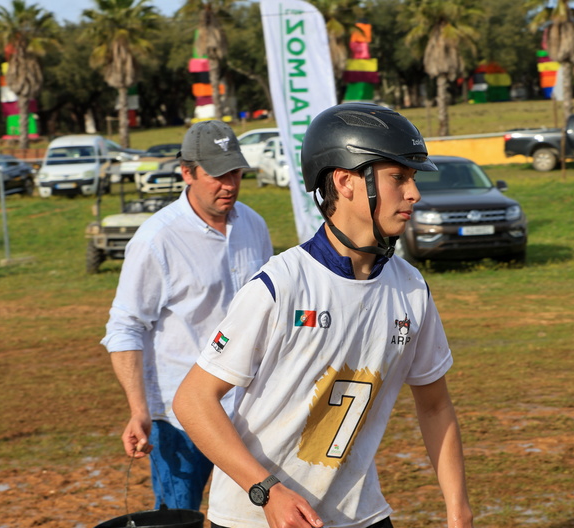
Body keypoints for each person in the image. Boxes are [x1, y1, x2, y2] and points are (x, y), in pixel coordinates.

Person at [174, 102, 473, 528]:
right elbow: (192, 400)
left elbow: (435, 406)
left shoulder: (411, 290)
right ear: (345, 181)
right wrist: (266, 492)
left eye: (412, 179)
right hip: (256, 517)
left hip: (360, 515)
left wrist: (458, 509)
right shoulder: (281, 286)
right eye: (398, 178)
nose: (414, 193)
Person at [101, 120, 273, 510]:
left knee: (256, 514)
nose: (228, 184)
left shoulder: (254, 226)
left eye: (235, 172)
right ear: (187, 172)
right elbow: (126, 326)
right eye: (216, 174)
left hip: (248, 409)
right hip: (180, 419)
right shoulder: (156, 239)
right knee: (179, 518)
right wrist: (139, 410)